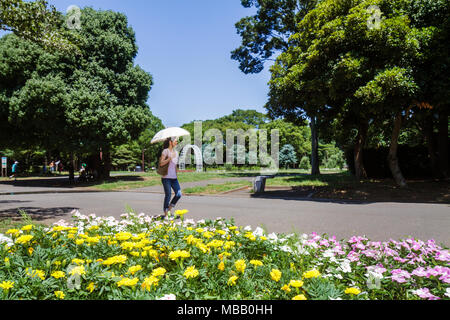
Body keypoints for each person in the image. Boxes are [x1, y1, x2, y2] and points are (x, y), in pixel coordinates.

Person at [159, 137, 182, 219]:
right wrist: (169, 158)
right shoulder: (165, 151)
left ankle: (169, 209)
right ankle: (166, 214)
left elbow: (175, 166)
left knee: (179, 194)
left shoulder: (176, 152)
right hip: (166, 178)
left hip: (174, 178)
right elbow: (161, 163)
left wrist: (176, 175)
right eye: (176, 140)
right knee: (168, 195)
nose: (177, 142)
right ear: (170, 142)